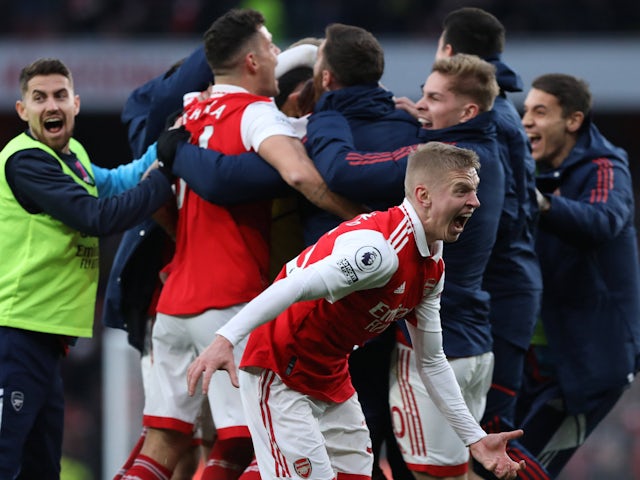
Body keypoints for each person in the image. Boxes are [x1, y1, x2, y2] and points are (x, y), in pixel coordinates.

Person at [186, 141, 526, 480]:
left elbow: (432, 361)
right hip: (279, 370)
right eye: (462, 190)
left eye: (475, 190)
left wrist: (474, 439)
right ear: (423, 196)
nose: (475, 202)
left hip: (330, 373)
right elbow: (296, 285)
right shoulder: (378, 253)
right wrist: (226, 338)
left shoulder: (431, 264)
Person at [119, 9, 363, 480]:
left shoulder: (189, 112)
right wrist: (362, 219)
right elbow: (296, 173)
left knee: (162, 443)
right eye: (271, 47)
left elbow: (151, 196)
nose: (276, 55)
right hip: (229, 303)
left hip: (172, 305)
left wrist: (186, 240)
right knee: (255, 441)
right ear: (251, 61)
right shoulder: (255, 114)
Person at [0, 58, 174, 479]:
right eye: (39, 98)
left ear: (75, 104)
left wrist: (167, 146)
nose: (51, 105)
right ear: (23, 110)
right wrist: (163, 180)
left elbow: (116, 182)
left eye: (60, 95)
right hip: (13, 335)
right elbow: (97, 216)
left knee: (41, 469)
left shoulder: (70, 154)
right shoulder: (26, 161)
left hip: (45, 340)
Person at [420, 8, 544, 477]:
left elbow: (506, 220)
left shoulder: (492, 127)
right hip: (505, 290)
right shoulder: (503, 114)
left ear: (448, 50)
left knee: (489, 434)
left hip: (497, 296)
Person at [513, 73, 640, 478]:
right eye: (525, 111)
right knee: (498, 460)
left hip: (583, 364)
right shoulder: (526, 168)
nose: (527, 121)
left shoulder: (604, 165)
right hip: (530, 355)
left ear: (573, 121)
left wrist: (543, 205)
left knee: (522, 468)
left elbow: (603, 220)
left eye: (540, 111)